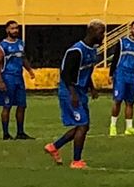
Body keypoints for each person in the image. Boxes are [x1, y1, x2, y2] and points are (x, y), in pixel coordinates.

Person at [43, 21, 104, 169]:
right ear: (92, 32)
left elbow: (86, 71)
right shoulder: (76, 51)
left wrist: (92, 87)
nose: (103, 36)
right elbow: (65, 74)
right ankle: (76, 161)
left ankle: (54, 146)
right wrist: (72, 94)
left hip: (81, 91)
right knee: (82, 125)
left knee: (84, 126)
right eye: (101, 32)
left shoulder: (93, 51)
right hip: (69, 91)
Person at [0, 20, 37, 141]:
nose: (15, 30)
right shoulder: (2, 46)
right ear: (7, 30)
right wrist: (1, 81)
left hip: (19, 78)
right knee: (7, 106)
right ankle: (6, 133)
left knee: (22, 105)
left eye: (16, 28)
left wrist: (29, 70)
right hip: (8, 78)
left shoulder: (20, 44)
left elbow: (23, 58)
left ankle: (20, 132)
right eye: (12, 28)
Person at [110, 21, 134, 136]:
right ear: (130, 29)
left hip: (132, 76)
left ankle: (129, 127)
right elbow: (115, 58)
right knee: (118, 100)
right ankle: (113, 126)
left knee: (130, 102)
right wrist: (111, 74)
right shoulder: (122, 42)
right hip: (120, 74)